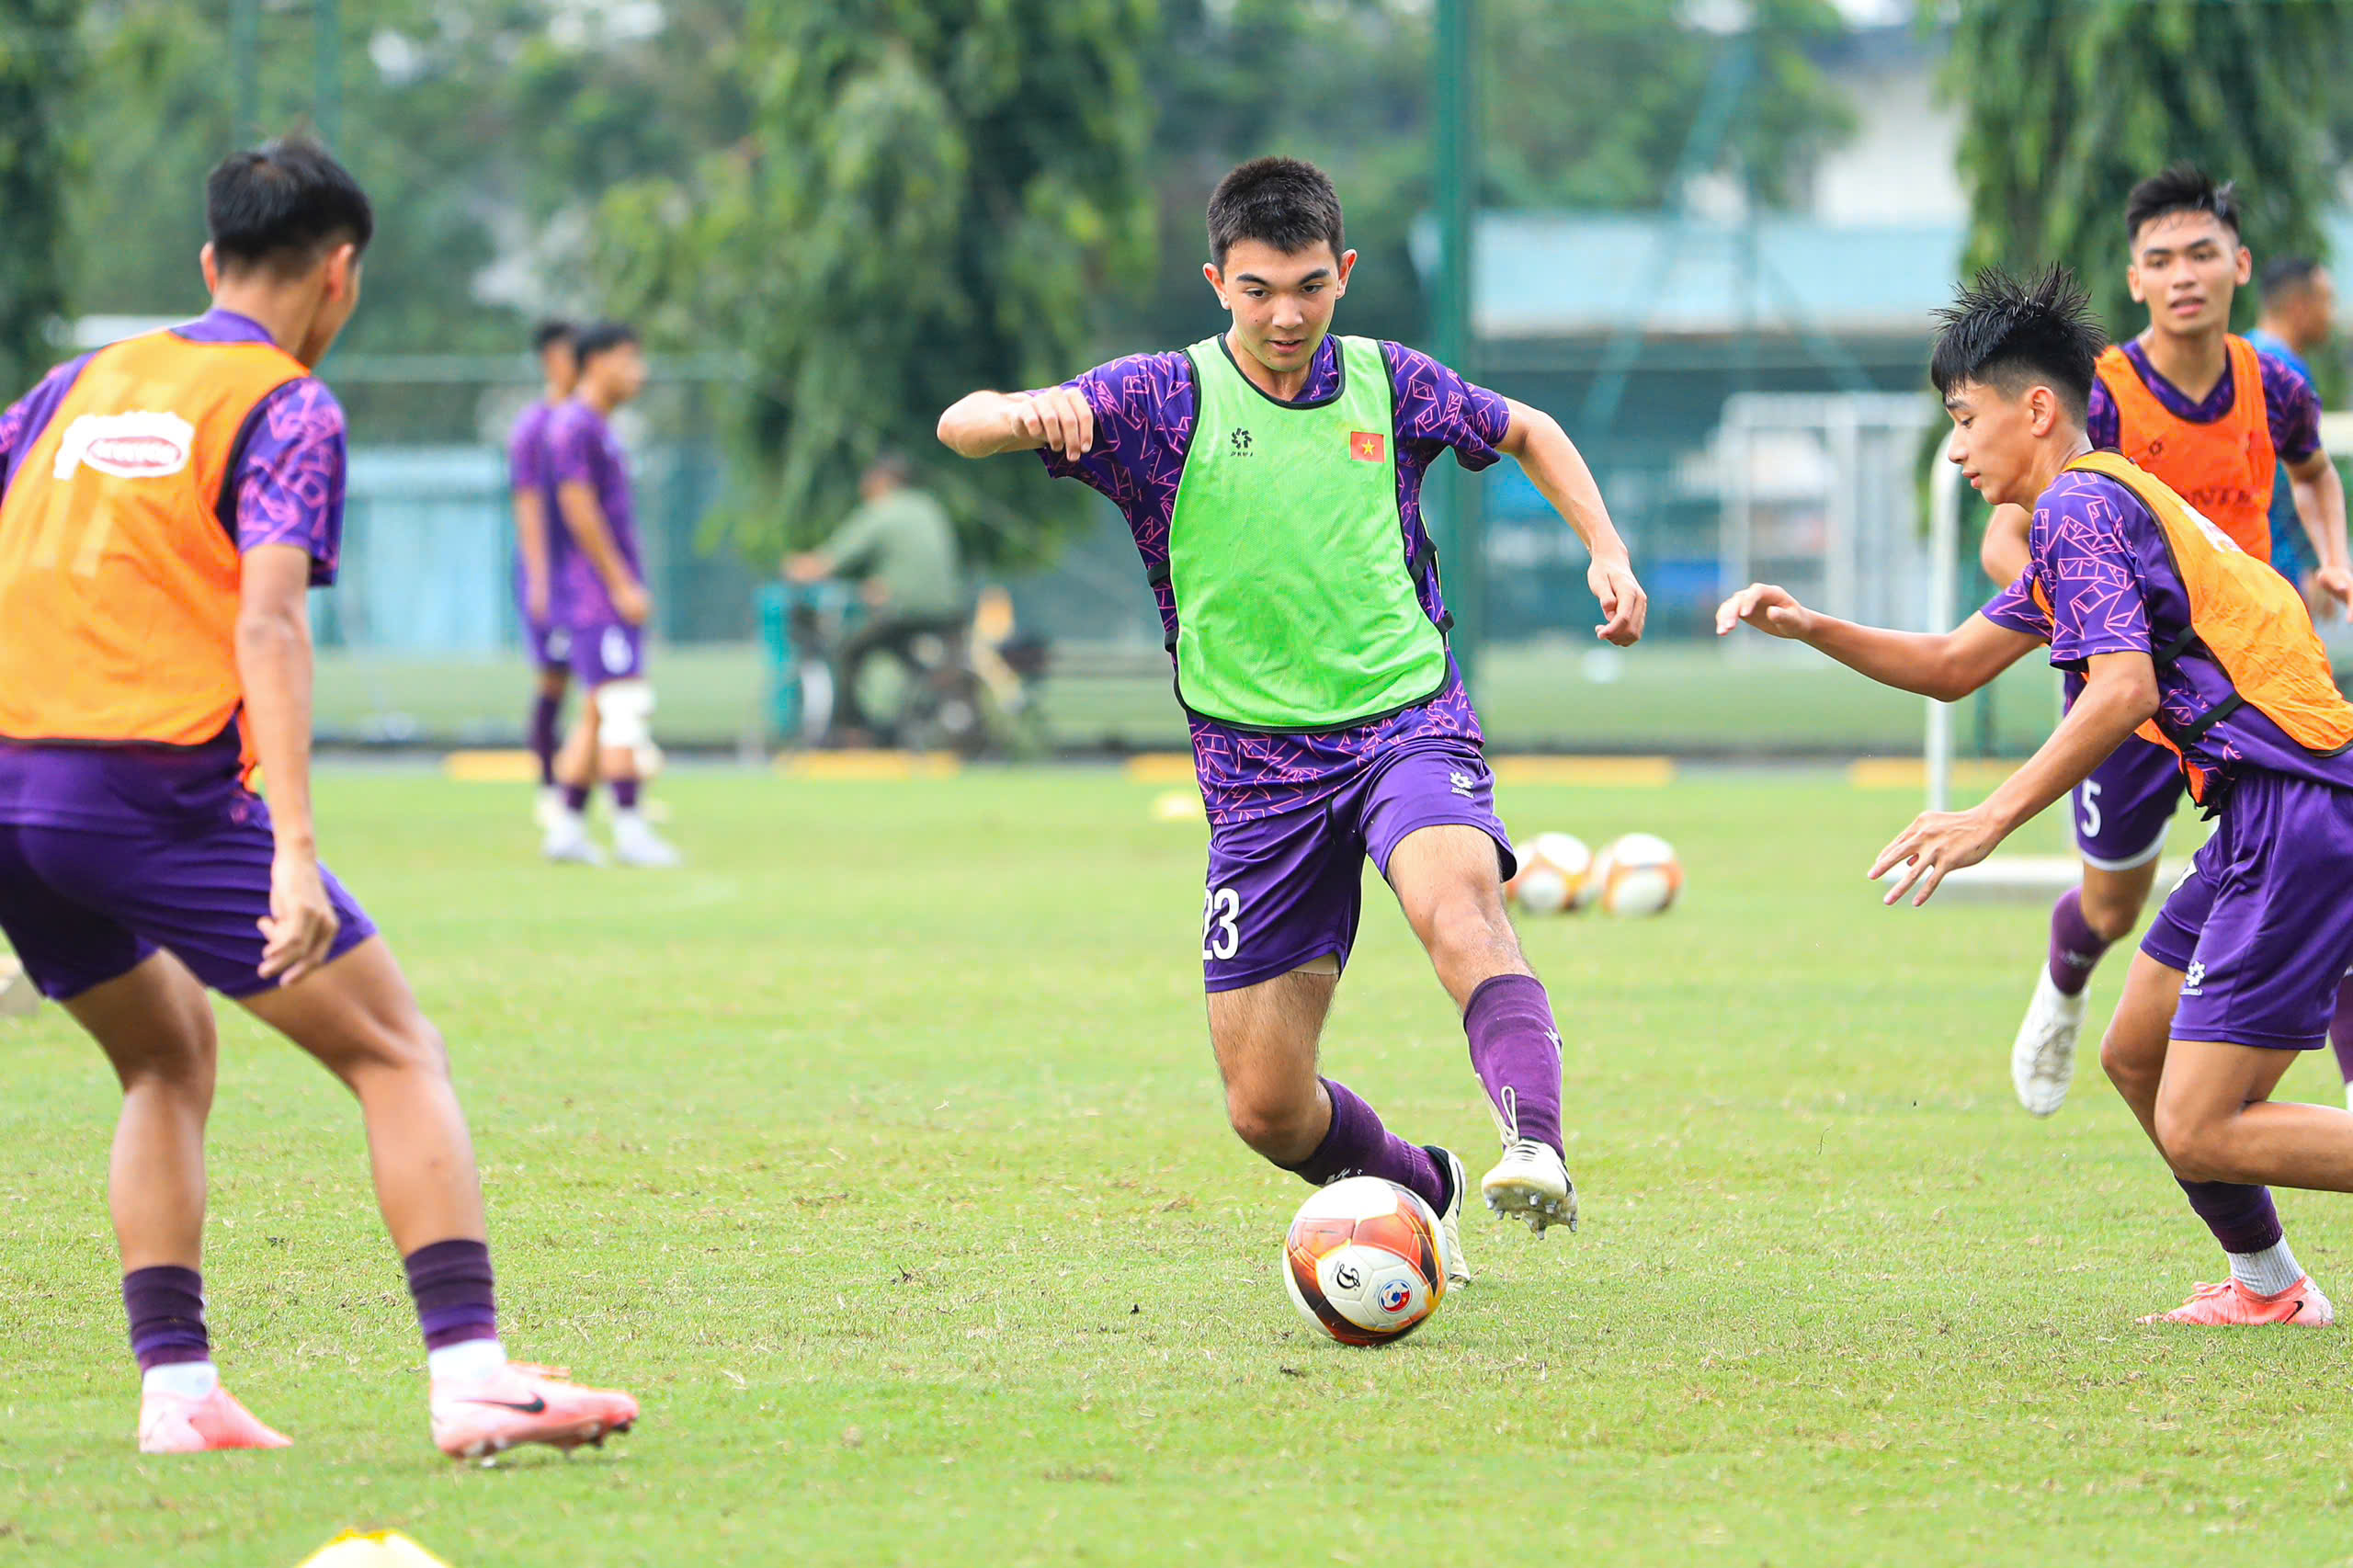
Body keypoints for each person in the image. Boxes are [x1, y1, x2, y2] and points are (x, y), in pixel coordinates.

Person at [0, 136, 637, 1454]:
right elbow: (272, 626)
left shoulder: (76, 383)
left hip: (12, 791)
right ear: (339, 273)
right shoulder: (285, 403)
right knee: (396, 1049)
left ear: (206, 261)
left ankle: (178, 1395)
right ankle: (471, 1374)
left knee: (167, 1055)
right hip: (147, 789)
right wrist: (293, 848)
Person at [937, 156, 1646, 1277]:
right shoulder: (1158, 399)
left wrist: (1604, 550)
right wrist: (1032, 412)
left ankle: (1537, 1147)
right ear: (1217, 279)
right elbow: (960, 423)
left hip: (1406, 718)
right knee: (1266, 1106)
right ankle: (1428, 1185)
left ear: (1344, 274)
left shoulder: (1389, 381)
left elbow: (1530, 430)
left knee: (1455, 903)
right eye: (1259, 288)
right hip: (1254, 770)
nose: (1286, 315)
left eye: (1309, 286)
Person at [1723, 263, 2353, 1328]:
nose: (1957, 448)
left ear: (2038, 408)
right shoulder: (2105, 499)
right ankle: (2269, 1288)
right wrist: (1814, 625)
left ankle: (2272, 1283)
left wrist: (1985, 818)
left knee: (2201, 1124)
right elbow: (1952, 660)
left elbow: (2122, 690)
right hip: (2277, 807)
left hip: (2294, 808)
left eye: (1964, 421)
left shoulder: (2076, 509)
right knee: (2132, 1053)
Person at [1978, 169, 2350, 1119]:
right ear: (2134, 281)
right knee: (2109, 907)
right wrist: (2070, 608)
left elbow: (2312, 476)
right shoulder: (2091, 398)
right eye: (2158, 260)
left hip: (2242, 694)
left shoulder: (2276, 382)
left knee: (2322, 874)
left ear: (2239, 264)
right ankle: (2065, 983)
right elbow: (2007, 535)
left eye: (2199, 253)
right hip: (2126, 698)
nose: (2183, 274)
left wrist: (2333, 558)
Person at [540, 321, 678, 868]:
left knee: (598, 710)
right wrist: (620, 583)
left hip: (596, 593)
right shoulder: (575, 425)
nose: (637, 373)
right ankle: (630, 828)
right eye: (629, 359)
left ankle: (568, 827)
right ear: (595, 362)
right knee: (624, 704)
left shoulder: (598, 426)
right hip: (596, 595)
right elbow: (578, 508)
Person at [783, 453, 967, 745]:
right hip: (947, 610)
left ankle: (855, 730)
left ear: (880, 481)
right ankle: (912, 716)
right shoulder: (928, 506)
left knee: (849, 653)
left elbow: (830, 559)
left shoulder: (883, 510)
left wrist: (799, 568)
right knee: (907, 658)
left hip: (906, 609)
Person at [510, 319, 577, 827]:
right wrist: (539, 579)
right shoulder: (534, 428)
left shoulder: (587, 423)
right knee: (554, 680)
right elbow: (528, 503)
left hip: (586, 578)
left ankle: (599, 789)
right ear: (550, 359)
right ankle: (550, 789)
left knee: (602, 683)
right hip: (552, 576)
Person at [2246, 256, 2339, 606]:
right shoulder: (2287, 371)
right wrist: (2314, 562)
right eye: (2326, 300)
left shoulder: (2239, 355)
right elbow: (2293, 477)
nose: (2331, 313)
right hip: (2277, 563)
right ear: (2300, 306)